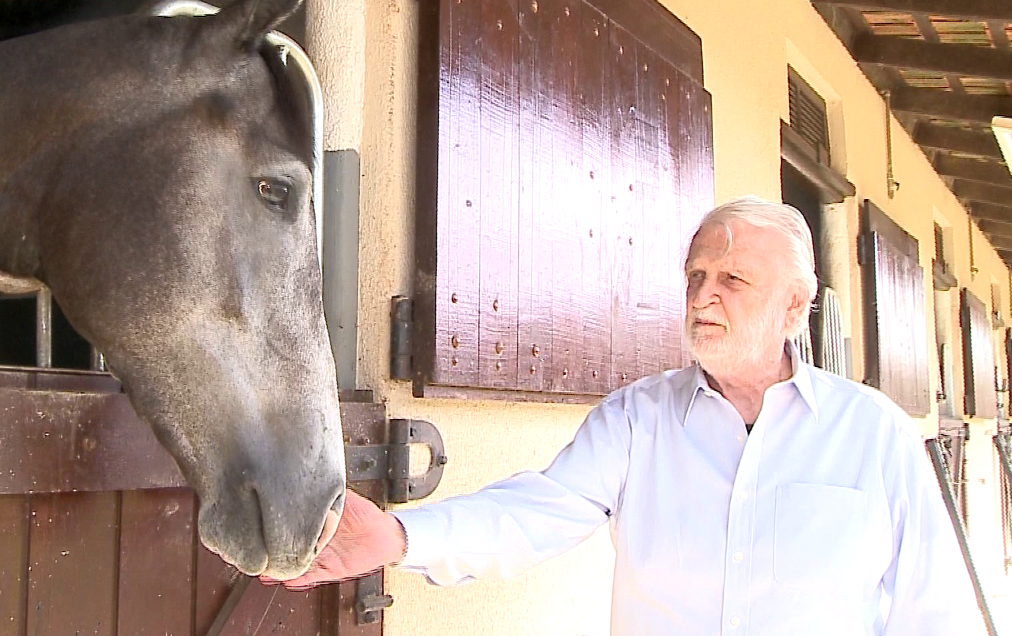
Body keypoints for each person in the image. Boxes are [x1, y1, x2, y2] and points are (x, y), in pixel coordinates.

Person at [277, 196, 985, 635]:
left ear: (795, 308)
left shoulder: (876, 434)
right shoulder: (638, 421)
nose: (704, 296)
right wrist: (399, 536)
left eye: (733, 280)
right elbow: (532, 515)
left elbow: (935, 611)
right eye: (695, 277)